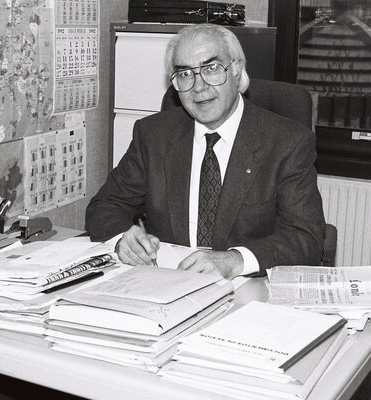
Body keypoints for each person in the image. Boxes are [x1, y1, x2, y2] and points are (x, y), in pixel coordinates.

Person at [86, 24, 326, 279]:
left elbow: (305, 238)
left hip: (246, 291)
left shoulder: (287, 142)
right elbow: (105, 205)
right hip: (168, 285)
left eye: (211, 69)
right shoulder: (153, 135)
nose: (198, 87)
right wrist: (123, 237)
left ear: (236, 69)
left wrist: (235, 260)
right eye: (185, 74)